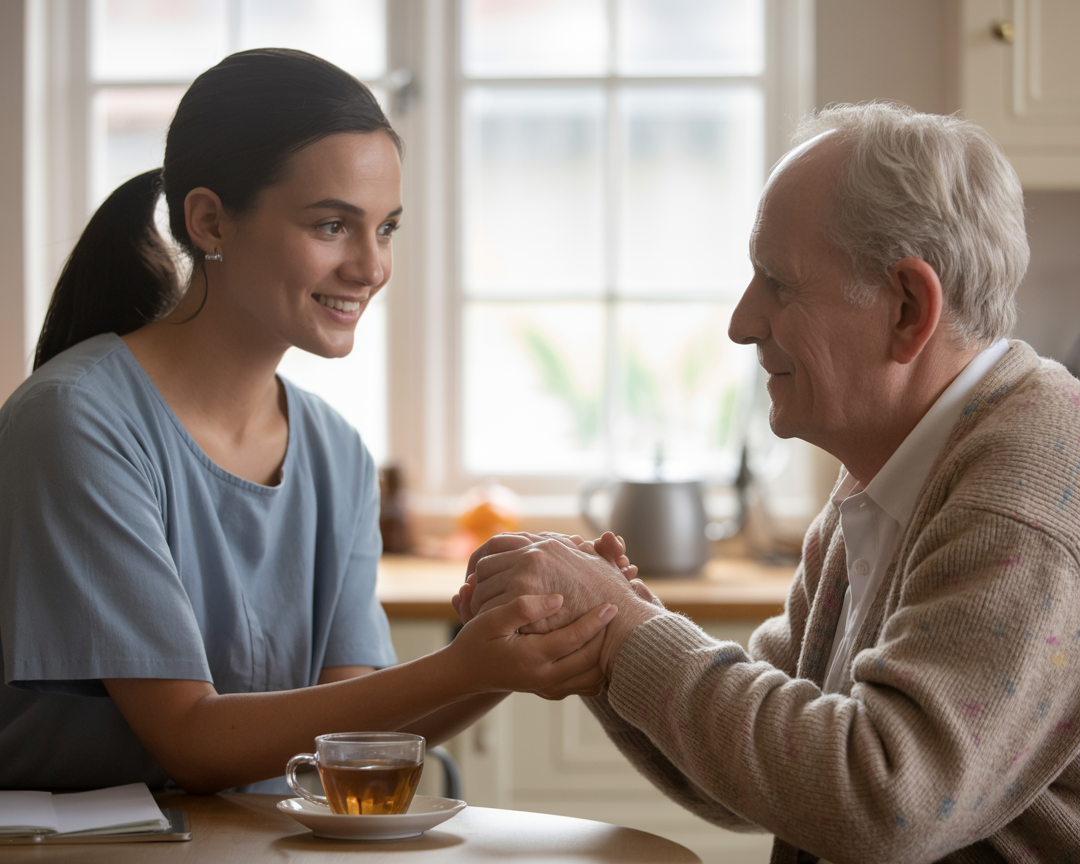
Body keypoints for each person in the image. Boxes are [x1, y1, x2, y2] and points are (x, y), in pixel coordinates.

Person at [456, 103, 1080, 862]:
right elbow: (779, 774)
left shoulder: (1022, 506)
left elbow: (882, 800)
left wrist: (626, 629)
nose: (741, 322)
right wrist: (602, 631)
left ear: (909, 308)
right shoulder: (899, 467)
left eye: (778, 284)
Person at [0, 48, 619, 794]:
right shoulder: (77, 425)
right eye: (332, 225)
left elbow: (353, 740)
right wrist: (469, 663)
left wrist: (521, 652)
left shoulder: (337, 453)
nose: (372, 266)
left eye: (386, 228)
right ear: (209, 221)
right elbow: (192, 739)